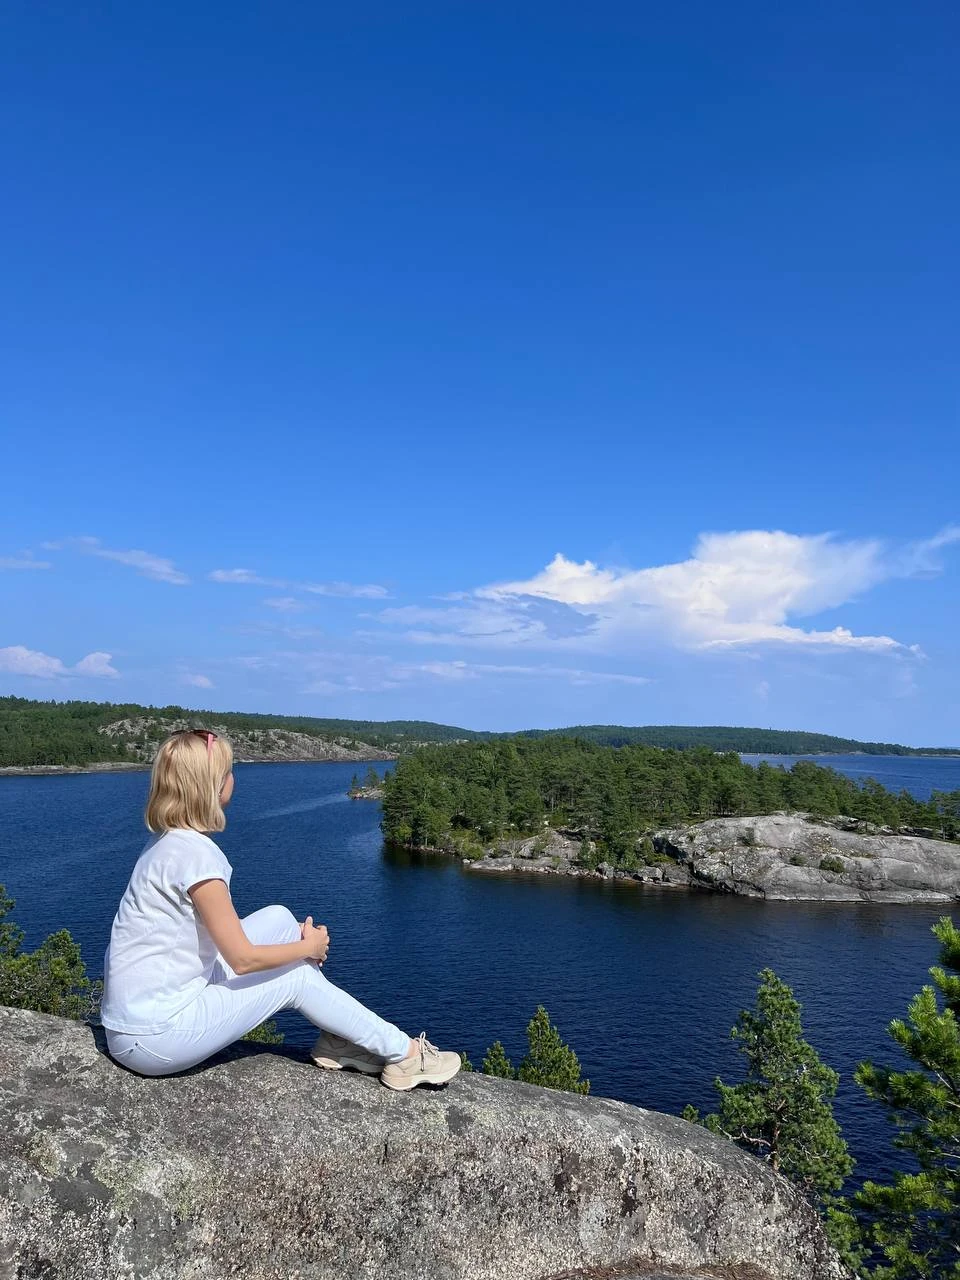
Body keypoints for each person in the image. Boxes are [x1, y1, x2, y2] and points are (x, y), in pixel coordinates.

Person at [100, 728, 460, 1090]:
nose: (233, 779)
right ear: (212, 787)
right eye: (228, 772)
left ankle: (337, 1039)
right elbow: (242, 959)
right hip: (154, 1038)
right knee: (296, 977)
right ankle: (405, 1055)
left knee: (279, 918)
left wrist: (298, 945)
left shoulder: (166, 842)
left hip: (138, 1020)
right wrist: (308, 948)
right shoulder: (197, 857)